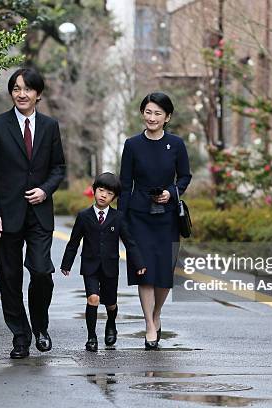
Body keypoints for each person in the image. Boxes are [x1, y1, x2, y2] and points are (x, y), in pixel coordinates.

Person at [0, 67, 66, 359]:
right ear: (11, 92)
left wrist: (45, 190)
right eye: (16, 88)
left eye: (27, 89)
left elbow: (58, 168)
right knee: (10, 277)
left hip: (40, 213)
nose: (22, 94)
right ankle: (20, 336)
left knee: (41, 271)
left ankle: (40, 325)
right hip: (6, 214)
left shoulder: (50, 126)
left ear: (38, 94)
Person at [118, 92, 192, 350]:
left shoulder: (177, 144)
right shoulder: (132, 145)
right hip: (139, 216)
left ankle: (156, 313)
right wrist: (121, 218)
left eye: (158, 113)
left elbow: (184, 177)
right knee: (145, 273)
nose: (152, 117)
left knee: (164, 275)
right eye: (148, 112)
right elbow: (125, 184)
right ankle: (149, 323)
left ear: (167, 117)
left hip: (168, 217)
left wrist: (171, 193)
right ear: (142, 114)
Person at [60, 173, 146, 352]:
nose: (103, 195)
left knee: (110, 302)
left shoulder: (118, 217)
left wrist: (139, 264)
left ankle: (111, 323)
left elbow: (129, 242)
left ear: (114, 198)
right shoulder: (84, 216)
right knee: (93, 298)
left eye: (109, 193)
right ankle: (91, 337)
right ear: (94, 191)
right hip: (90, 266)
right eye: (100, 190)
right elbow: (74, 241)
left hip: (110, 266)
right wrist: (66, 264)